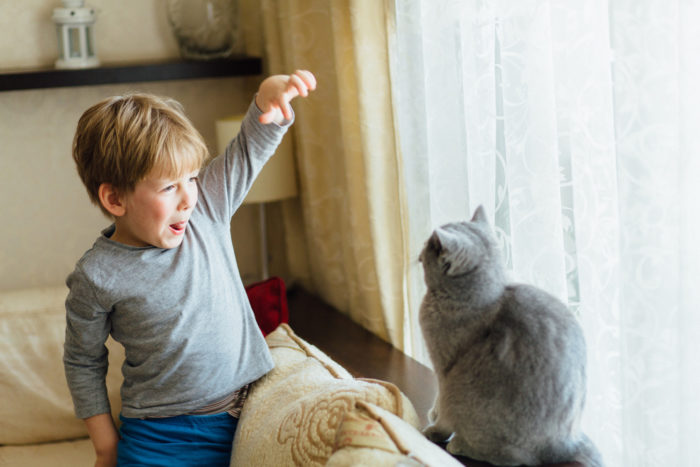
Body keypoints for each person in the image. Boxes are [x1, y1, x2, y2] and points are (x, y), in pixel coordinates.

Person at [63, 70, 316, 467]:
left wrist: (269, 100)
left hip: (247, 414)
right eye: (168, 187)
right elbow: (82, 360)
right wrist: (104, 446)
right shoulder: (96, 276)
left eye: (193, 178)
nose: (187, 199)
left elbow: (250, 146)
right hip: (160, 439)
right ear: (115, 198)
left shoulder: (207, 210)